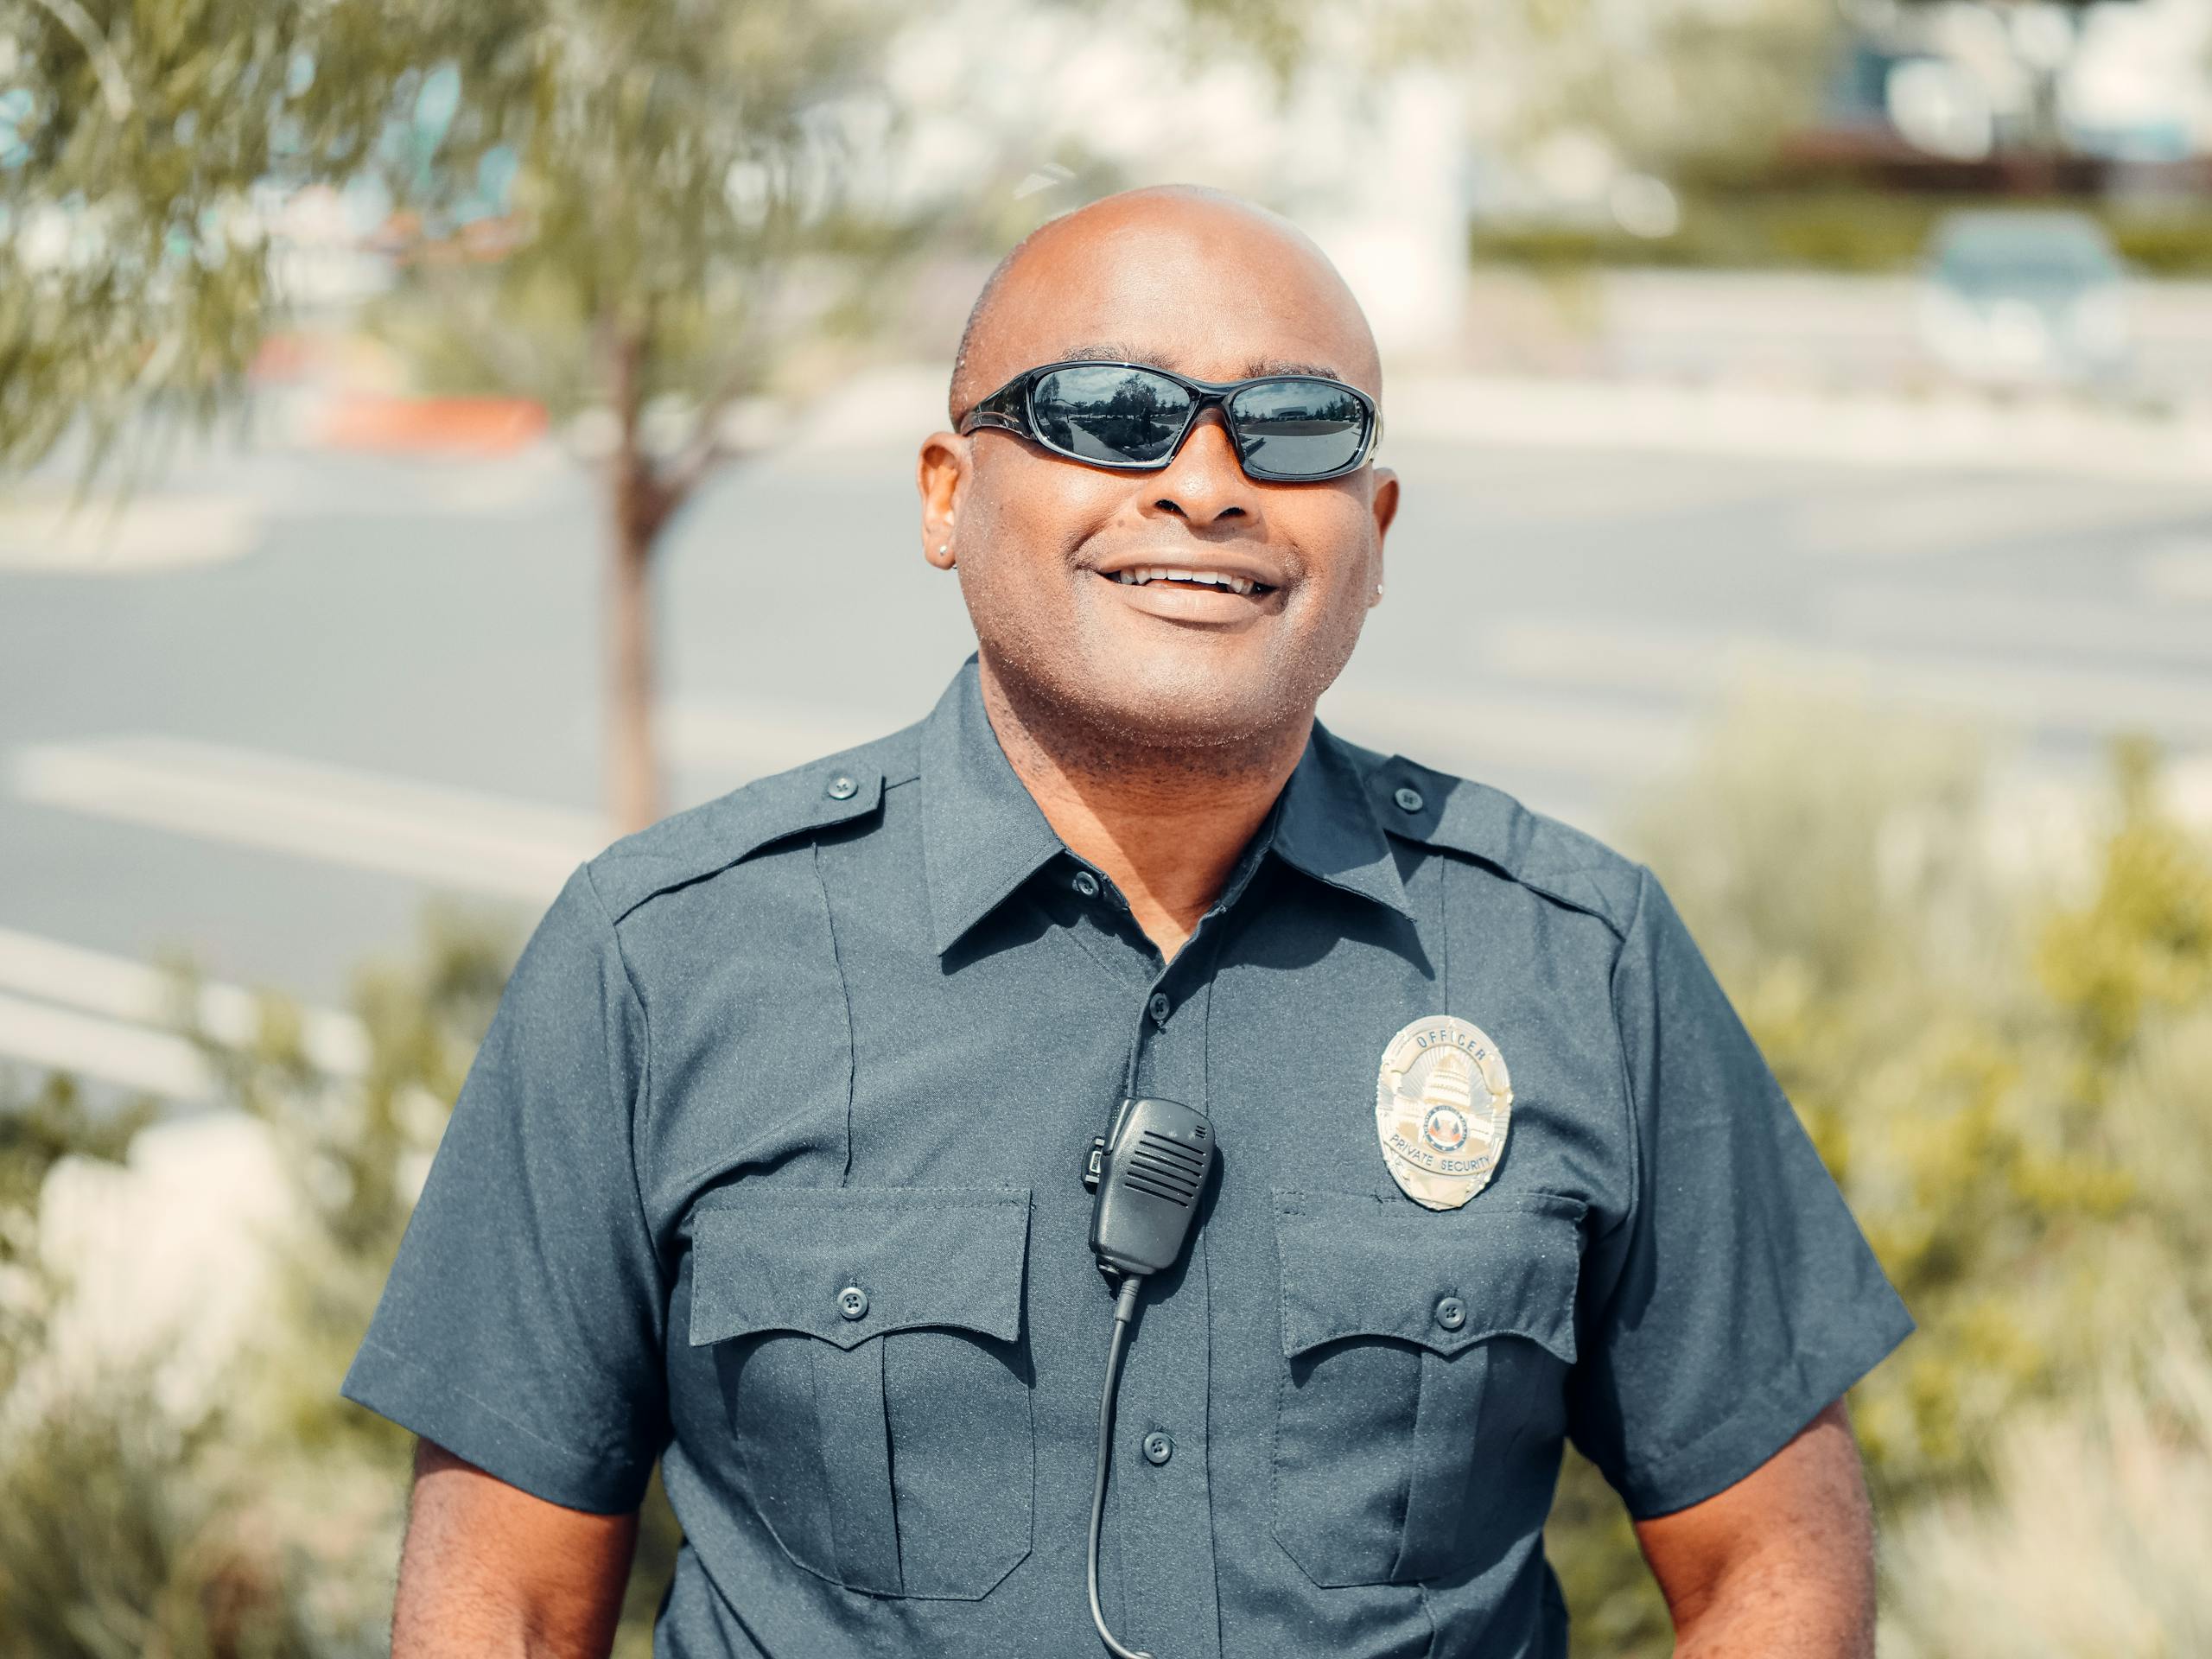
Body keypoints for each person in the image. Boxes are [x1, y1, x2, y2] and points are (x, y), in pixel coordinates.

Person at [343, 184, 1912, 1659]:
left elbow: (1767, 1552)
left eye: (1296, 427)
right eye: (1112, 413)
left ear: (1375, 531)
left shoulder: (1576, 957)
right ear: (948, 493)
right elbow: (512, 1607)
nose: (1209, 483)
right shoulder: (660, 961)